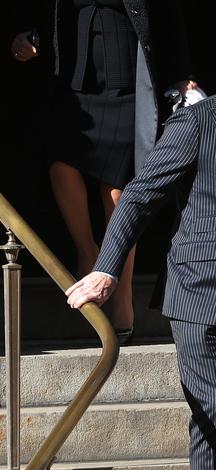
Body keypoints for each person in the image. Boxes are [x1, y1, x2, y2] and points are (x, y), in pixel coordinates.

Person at [66, 13, 216, 470]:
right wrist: (108, 269)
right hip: (201, 295)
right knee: (213, 416)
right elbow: (139, 196)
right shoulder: (199, 121)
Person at [10, 0, 197, 341]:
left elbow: (169, 14)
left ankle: (120, 290)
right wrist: (23, 34)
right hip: (73, 81)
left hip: (127, 82)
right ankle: (88, 253)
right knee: (60, 163)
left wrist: (181, 74)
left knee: (119, 188)